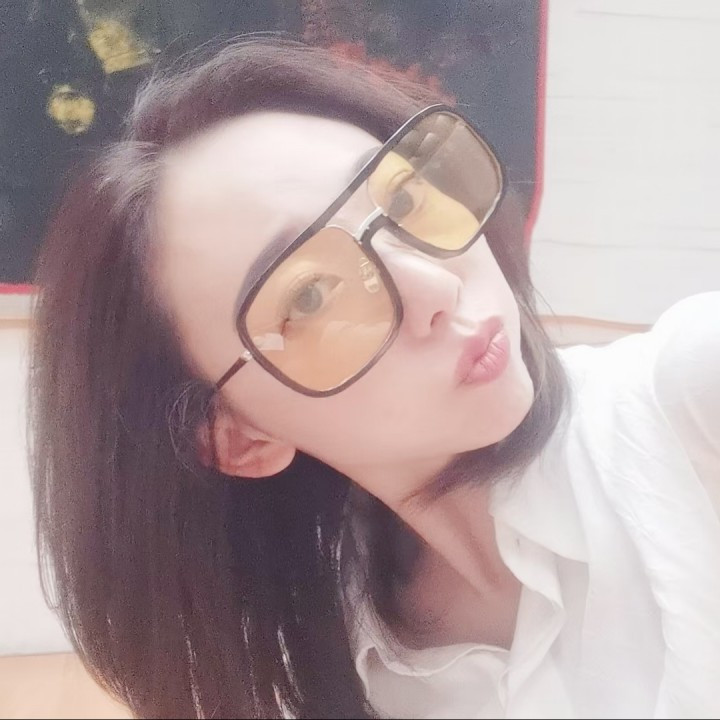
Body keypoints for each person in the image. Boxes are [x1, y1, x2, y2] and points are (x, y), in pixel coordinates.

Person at [28, 37, 720, 719]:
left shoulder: (687, 405)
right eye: (311, 296)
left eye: (404, 198)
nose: (436, 286)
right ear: (237, 436)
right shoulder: (325, 667)